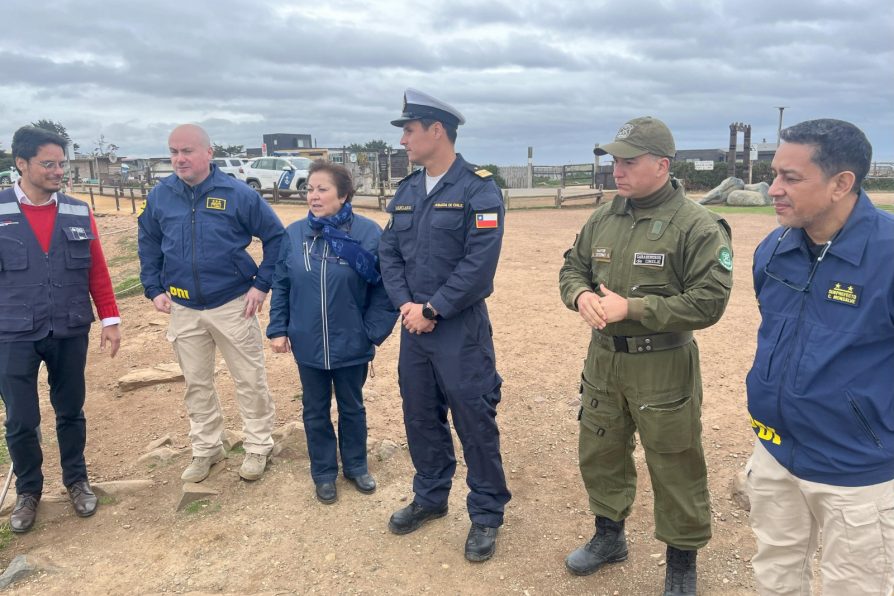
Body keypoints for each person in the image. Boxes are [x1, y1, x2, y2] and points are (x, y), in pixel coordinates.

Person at [559, 116, 733, 595]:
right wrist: (580, 297)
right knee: (600, 449)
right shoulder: (605, 217)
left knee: (675, 461)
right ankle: (608, 538)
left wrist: (631, 307)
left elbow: (709, 303)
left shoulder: (696, 225)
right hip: (604, 361)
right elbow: (572, 267)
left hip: (663, 365)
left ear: (662, 164)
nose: (618, 170)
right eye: (615, 160)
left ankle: (681, 567)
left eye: (629, 161)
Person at [746, 119, 894, 595]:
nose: (774, 189)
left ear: (841, 184)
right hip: (775, 452)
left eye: (791, 177)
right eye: (774, 174)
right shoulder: (774, 250)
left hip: (857, 470)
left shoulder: (888, 256)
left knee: (856, 587)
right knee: (774, 577)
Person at [378, 88, 511, 562]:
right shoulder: (409, 189)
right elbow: (388, 253)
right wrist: (407, 307)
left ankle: (487, 513)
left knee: (474, 419)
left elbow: (479, 266)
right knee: (419, 415)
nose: (404, 141)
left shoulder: (479, 188)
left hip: (458, 328)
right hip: (414, 328)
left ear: (437, 131)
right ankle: (431, 497)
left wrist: (432, 309)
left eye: (409, 131)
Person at [138, 124, 283, 483]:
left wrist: (261, 286)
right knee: (196, 382)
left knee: (249, 379)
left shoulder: (238, 194)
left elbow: (277, 238)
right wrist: (153, 288)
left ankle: (258, 445)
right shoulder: (161, 195)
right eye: (173, 151)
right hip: (184, 308)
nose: (179, 158)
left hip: (234, 303)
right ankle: (207, 449)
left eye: (187, 151)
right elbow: (148, 242)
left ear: (208, 153)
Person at [0, 126, 121, 533]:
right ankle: (28, 492)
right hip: (13, 332)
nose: (58, 172)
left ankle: (76, 480)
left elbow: (96, 269)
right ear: (22, 164)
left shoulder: (76, 210)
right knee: (20, 418)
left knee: (70, 411)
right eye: (48, 164)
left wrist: (110, 318)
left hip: (69, 328)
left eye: (61, 164)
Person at [267, 161, 397, 504]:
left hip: (351, 342)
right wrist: (279, 327)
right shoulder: (294, 234)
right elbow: (282, 282)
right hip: (307, 341)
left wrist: (370, 332)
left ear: (343, 194)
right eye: (310, 188)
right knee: (314, 408)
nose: (313, 195)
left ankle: (356, 466)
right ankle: (323, 473)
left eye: (322, 189)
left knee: (353, 407)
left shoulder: (368, 234)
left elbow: (386, 289)